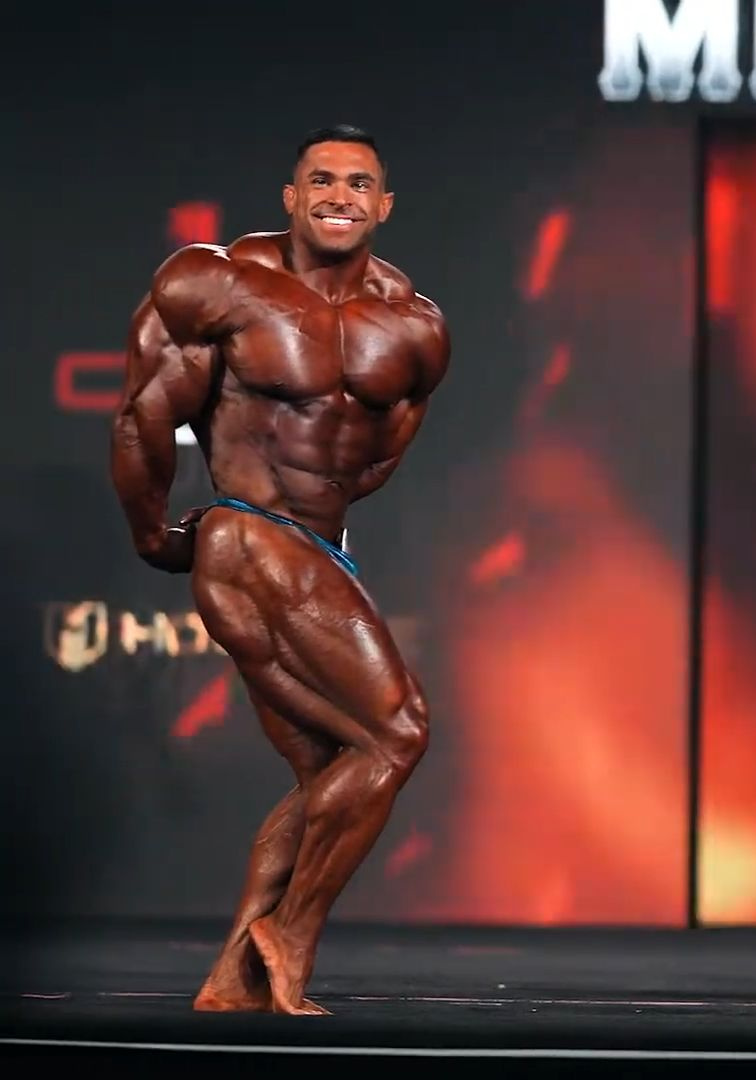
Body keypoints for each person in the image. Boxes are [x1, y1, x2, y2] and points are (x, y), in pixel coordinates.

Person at [110, 124, 450, 1015]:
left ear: (383, 206)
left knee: (338, 766)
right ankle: (290, 934)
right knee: (399, 733)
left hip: (319, 548)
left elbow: (379, 455)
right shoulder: (218, 282)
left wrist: (317, 508)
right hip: (249, 533)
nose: (340, 195)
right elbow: (145, 416)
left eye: (359, 184)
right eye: (321, 180)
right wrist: (153, 533)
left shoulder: (415, 326)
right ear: (293, 198)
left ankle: (235, 975)